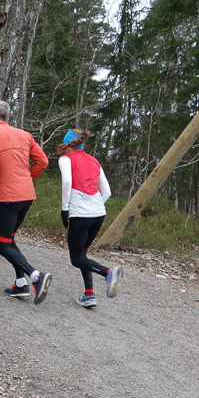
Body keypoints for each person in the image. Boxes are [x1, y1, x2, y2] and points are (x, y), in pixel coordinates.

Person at [0, 100, 51, 304]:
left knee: (2, 244)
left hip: (9, 197)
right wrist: (26, 179)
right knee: (9, 240)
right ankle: (21, 284)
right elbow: (43, 161)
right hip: (26, 196)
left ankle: (36, 277)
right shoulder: (25, 135)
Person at [57, 129, 123, 307]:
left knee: (76, 258)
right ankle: (89, 294)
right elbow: (107, 192)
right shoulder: (94, 161)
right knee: (83, 255)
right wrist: (93, 207)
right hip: (98, 214)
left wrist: (65, 209)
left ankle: (109, 272)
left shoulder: (65, 159)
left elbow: (67, 182)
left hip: (81, 214)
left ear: (67, 143)